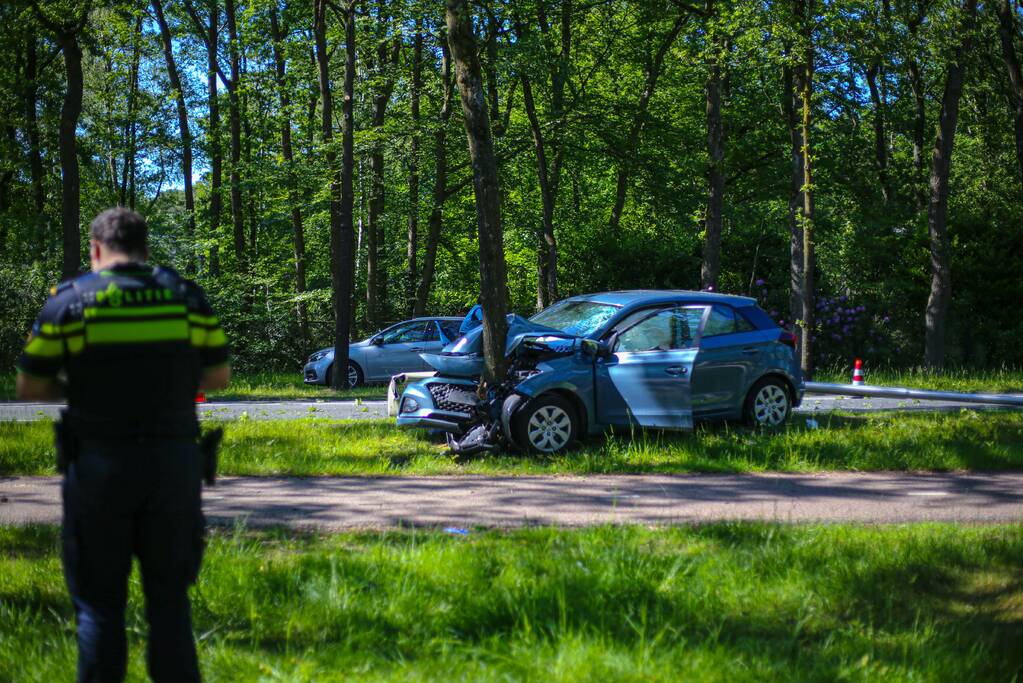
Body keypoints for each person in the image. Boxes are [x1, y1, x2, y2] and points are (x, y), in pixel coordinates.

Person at [16, 208, 230, 682]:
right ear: (144, 248)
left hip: (98, 466)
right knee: (170, 603)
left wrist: (84, 391)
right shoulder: (184, 297)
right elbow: (217, 375)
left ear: (95, 250)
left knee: (99, 606)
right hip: (173, 465)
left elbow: (30, 387)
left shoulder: (70, 302)